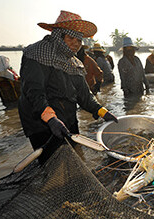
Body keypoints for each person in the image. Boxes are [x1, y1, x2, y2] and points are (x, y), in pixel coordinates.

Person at [18, 10, 118, 163]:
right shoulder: (37, 54)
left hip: (67, 119)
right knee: (52, 163)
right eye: (71, 38)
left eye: (79, 40)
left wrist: (103, 112)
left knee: (74, 158)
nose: (76, 44)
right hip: (41, 123)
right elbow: (34, 92)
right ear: (58, 35)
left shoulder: (74, 63)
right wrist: (51, 119)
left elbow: (85, 96)